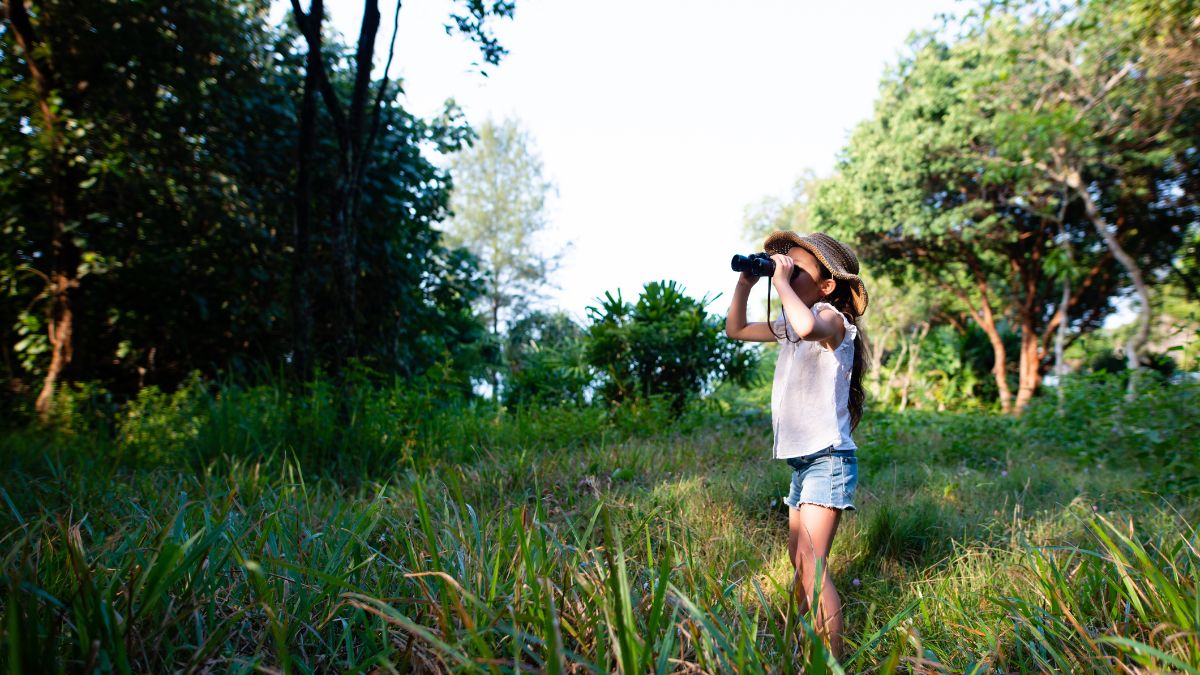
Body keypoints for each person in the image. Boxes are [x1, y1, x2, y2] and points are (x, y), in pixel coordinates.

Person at [725, 230, 869, 658]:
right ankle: (798, 650)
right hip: (803, 463)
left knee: (812, 565)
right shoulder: (791, 323)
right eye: (782, 265)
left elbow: (808, 327)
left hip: (829, 460)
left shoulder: (832, 320)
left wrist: (782, 284)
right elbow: (735, 329)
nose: (784, 269)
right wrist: (747, 283)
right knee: (799, 562)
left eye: (796, 267)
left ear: (827, 285)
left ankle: (830, 662)